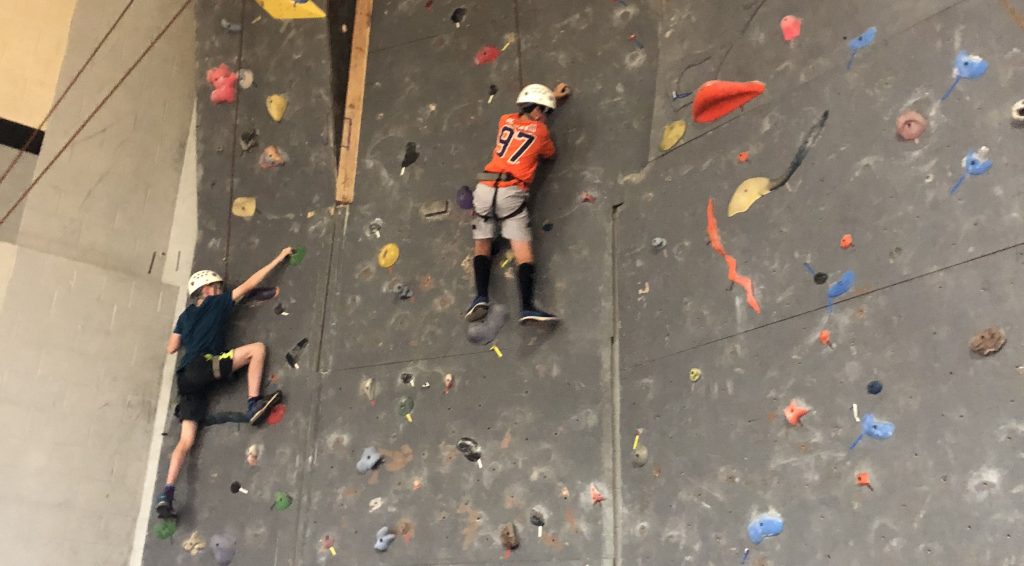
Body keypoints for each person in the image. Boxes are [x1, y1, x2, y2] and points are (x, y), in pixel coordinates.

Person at [154, 247, 293, 519]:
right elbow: (250, 284)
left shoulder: (184, 316)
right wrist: (279, 257)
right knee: (257, 350)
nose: (220, 290)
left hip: (185, 379)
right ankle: (254, 403)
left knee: (186, 440)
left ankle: (166, 494)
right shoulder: (217, 303)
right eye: (216, 287)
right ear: (206, 290)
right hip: (205, 365)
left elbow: (171, 347)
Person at [466, 83, 569, 324]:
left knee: (482, 244)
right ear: (538, 111)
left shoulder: (505, 120)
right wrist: (550, 103)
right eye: (545, 112)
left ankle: (480, 297)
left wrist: (548, 98)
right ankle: (527, 307)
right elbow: (549, 154)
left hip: (485, 188)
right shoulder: (541, 132)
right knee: (522, 251)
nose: (546, 116)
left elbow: (523, 114)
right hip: (511, 192)